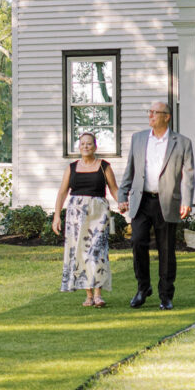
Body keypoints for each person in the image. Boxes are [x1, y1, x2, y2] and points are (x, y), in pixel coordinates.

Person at [119, 101, 194, 311]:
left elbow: (188, 176)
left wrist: (187, 200)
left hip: (168, 201)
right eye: (149, 112)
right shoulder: (138, 138)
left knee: (166, 250)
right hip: (141, 201)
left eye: (154, 112)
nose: (150, 115)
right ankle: (143, 288)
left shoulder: (183, 143)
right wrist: (121, 195)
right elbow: (130, 171)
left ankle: (166, 295)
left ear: (166, 117)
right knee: (137, 241)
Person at [52, 132, 119, 308]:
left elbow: (114, 189)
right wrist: (57, 215)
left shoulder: (104, 166)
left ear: (95, 147)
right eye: (82, 144)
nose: (85, 147)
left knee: (97, 252)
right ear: (79, 147)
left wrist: (123, 203)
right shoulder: (72, 167)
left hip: (98, 214)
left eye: (89, 144)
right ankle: (88, 295)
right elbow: (62, 192)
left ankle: (98, 294)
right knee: (80, 253)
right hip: (75, 215)